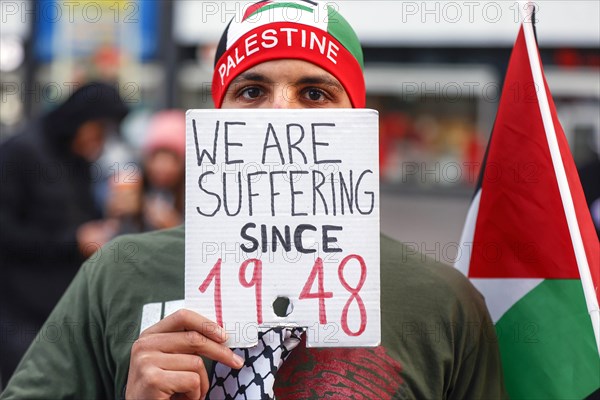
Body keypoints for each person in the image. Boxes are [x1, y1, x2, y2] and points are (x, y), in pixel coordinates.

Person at [1, 2, 507, 399]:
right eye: (250, 91)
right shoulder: (116, 274)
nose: (279, 115)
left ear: (356, 119)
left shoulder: (444, 303)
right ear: (218, 116)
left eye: (315, 93)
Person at [0, 82, 128, 387]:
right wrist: (72, 242)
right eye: (97, 129)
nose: (98, 140)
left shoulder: (79, 158)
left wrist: (108, 219)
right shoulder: (21, 152)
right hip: (20, 308)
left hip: (66, 306)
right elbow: (6, 232)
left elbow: (82, 220)